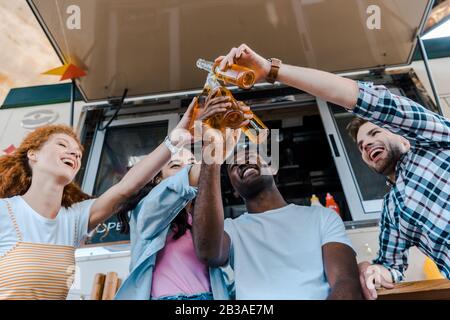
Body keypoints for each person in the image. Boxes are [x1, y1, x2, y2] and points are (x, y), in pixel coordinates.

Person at [215, 44, 450, 299]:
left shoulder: (436, 142)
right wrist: (372, 269)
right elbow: (391, 266)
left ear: (404, 139)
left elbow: (371, 101)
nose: (367, 144)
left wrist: (272, 70)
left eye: (374, 133)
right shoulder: (392, 211)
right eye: (361, 146)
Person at [0, 94, 239, 300]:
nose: (74, 152)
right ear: (33, 154)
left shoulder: (72, 220)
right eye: (62, 144)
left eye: (79, 152)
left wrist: (179, 137)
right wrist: (212, 153)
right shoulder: (4, 211)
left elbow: (127, 187)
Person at [114, 95, 250, 300]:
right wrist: (213, 147)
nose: (187, 170)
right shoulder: (146, 211)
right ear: (157, 181)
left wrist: (220, 146)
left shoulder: (203, 222)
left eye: (191, 163)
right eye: (176, 165)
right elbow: (191, 180)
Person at [192, 143, 362, 300]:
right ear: (235, 191)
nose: (243, 164)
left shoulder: (322, 217)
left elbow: (346, 283)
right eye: (234, 166)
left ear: (272, 168)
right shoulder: (231, 229)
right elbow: (208, 252)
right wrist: (211, 160)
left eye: (250, 157)